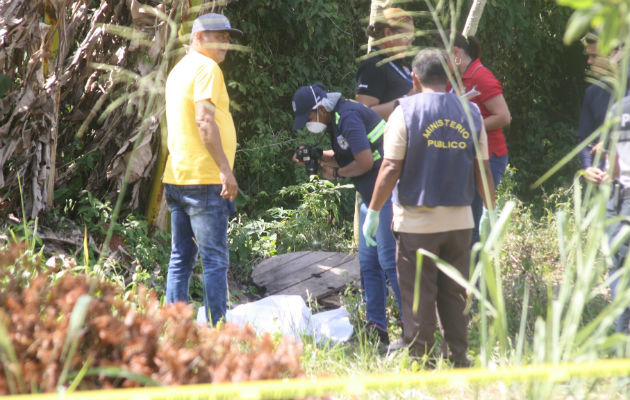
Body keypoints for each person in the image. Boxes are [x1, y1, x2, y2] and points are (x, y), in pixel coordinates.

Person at [362, 48, 495, 366]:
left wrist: (374, 211)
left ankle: (424, 365)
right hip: (460, 222)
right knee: (453, 295)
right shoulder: (472, 112)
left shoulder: (405, 112)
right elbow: (483, 170)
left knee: (419, 298)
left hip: (416, 225)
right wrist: (489, 210)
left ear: (414, 78)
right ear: (450, 78)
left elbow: (391, 168)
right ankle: (460, 361)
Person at [291, 84, 402, 345]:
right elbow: (345, 154)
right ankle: (377, 329)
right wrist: (318, 156)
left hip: (385, 193)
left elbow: (363, 162)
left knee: (389, 261)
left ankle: (413, 328)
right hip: (370, 197)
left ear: (319, 109)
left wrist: (336, 173)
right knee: (368, 264)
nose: (308, 123)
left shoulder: (348, 116)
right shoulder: (336, 119)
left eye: (308, 118)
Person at [162, 13, 242, 326]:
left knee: (181, 257)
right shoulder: (207, 68)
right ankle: (217, 330)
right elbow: (204, 121)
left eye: (228, 36)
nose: (226, 42)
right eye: (217, 35)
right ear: (198, 37)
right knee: (214, 259)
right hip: (204, 179)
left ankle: (175, 327)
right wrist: (225, 170)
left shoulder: (178, 70)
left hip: (177, 177)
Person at [448, 32, 510, 245]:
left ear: (455, 52)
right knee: (463, 225)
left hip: (489, 158)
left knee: (472, 227)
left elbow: (503, 116)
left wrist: (466, 127)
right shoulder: (454, 77)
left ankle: (477, 277)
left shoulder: (480, 76)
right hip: (465, 158)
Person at [355, 7, 415, 120]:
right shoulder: (373, 65)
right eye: (406, 38)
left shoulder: (400, 64)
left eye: (412, 40)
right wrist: (407, 100)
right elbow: (363, 114)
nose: (410, 45)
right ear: (388, 33)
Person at [606, 85, 630, 335]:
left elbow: (612, 167)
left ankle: (623, 355)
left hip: (624, 201)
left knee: (620, 277)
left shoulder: (618, 110)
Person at [577, 32, 613, 185]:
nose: (589, 61)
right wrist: (587, 167)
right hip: (601, 184)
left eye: (594, 56)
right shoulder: (592, 92)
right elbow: (584, 139)